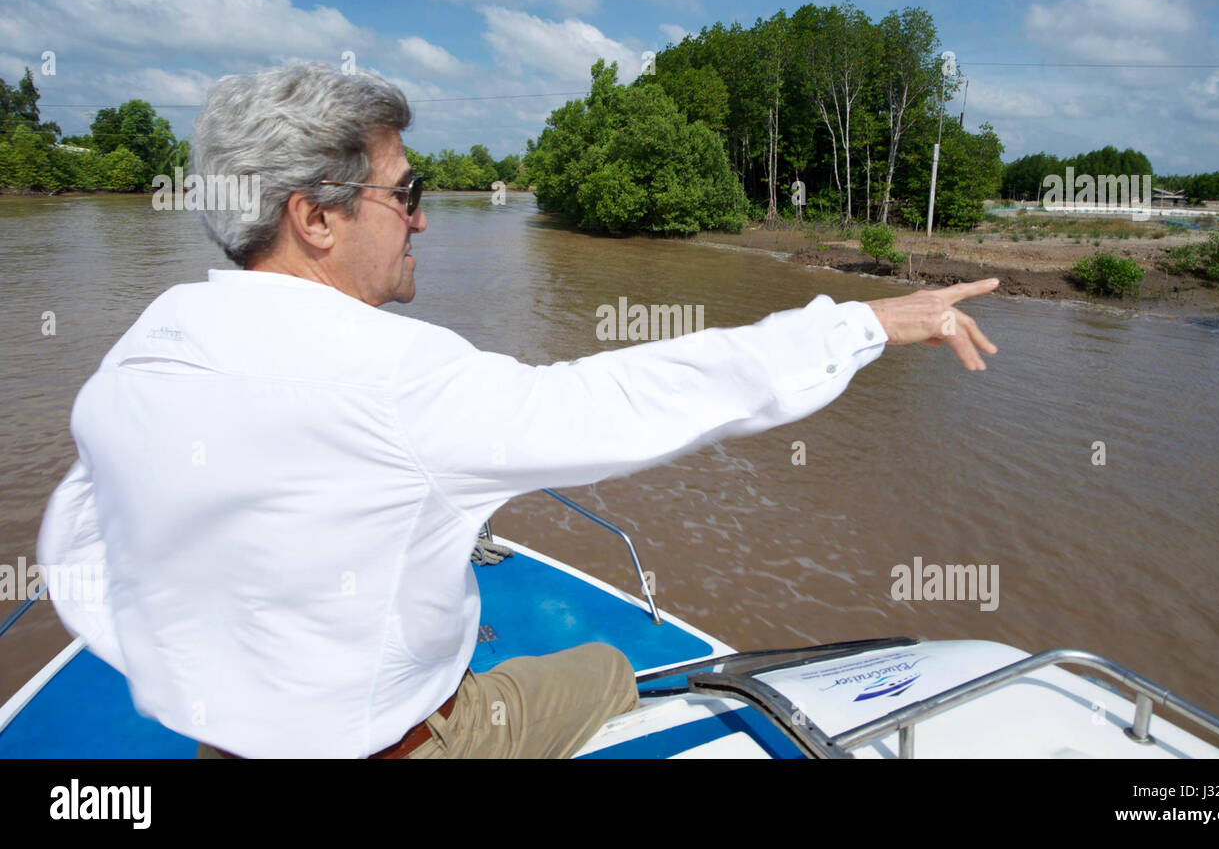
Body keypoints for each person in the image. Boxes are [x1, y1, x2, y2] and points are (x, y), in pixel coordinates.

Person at [36, 62, 998, 759]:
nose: (423, 216)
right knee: (606, 670)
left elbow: (81, 542)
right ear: (314, 215)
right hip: (408, 743)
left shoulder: (144, 349)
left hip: (223, 747)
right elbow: (629, 397)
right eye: (406, 191)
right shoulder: (392, 375)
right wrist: (864, 322)